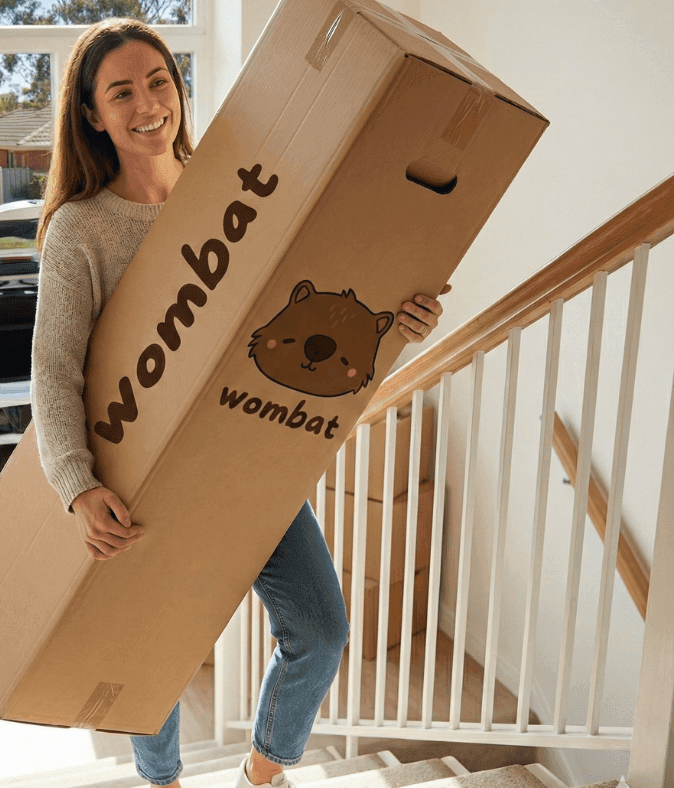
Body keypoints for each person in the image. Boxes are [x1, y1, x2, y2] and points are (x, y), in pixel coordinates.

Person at [31, 18, 449, 788]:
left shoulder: (239, 184)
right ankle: (161, 781)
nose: (148, 102)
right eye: (121, 91)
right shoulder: (80, 231)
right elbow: (53, 373)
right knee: (151, 656)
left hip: (249, 460)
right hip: (141, 475)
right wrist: (76, 486)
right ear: (92, 114)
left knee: (320, 631)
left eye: (158, 80)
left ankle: (263, 774)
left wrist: (398, 327)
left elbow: (311, 316)